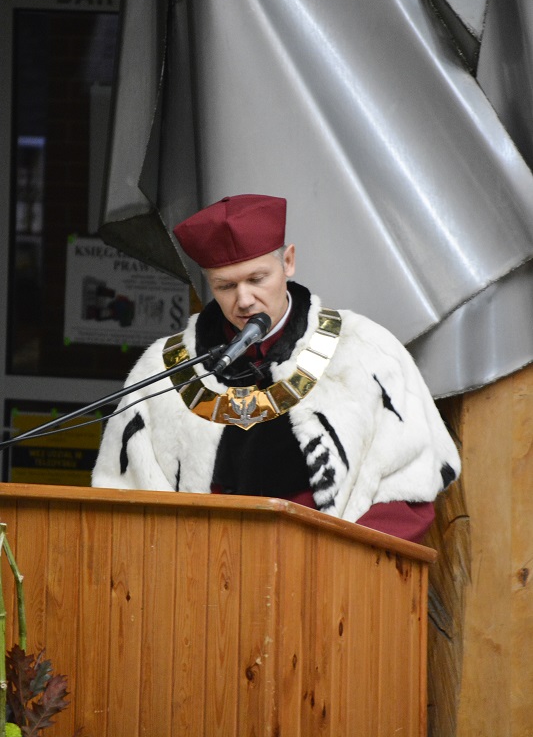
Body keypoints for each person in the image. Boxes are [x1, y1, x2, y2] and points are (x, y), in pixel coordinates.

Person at [92, 193, 460, 543]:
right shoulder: (163, 370)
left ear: (288, 262)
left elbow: (408, 493)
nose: (244, 300)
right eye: (225, 286)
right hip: (199, 575)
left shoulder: (364, 350)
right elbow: (123, 500)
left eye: (257, 279)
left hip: (330, 573)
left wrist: (334, 560)